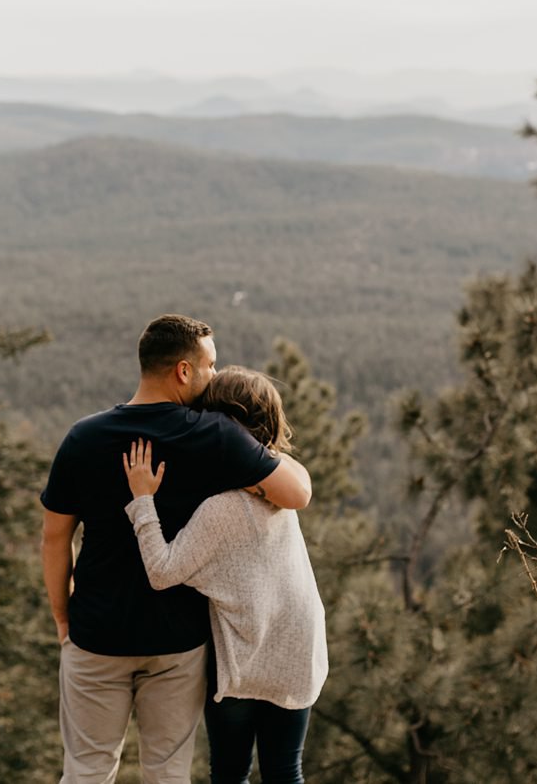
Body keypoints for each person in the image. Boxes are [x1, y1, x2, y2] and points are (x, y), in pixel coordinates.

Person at [41, 314, 313, 784]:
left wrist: (64, 615)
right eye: (210, 366)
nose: (213, 377)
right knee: (167, 771)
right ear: (183, 371)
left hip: (96, 632)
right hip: (177, 640)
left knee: (86, 769)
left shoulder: (83, 437)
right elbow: (296, 495)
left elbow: (54, 537)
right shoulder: (214, 435)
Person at [121, 367, 326, 784]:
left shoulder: (221, 508)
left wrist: (143, 501)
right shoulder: (280, 484)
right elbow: (295, 477)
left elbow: (162, 572)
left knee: (231, 773)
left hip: (242, 657)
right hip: (298, 648)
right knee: (286, 771)